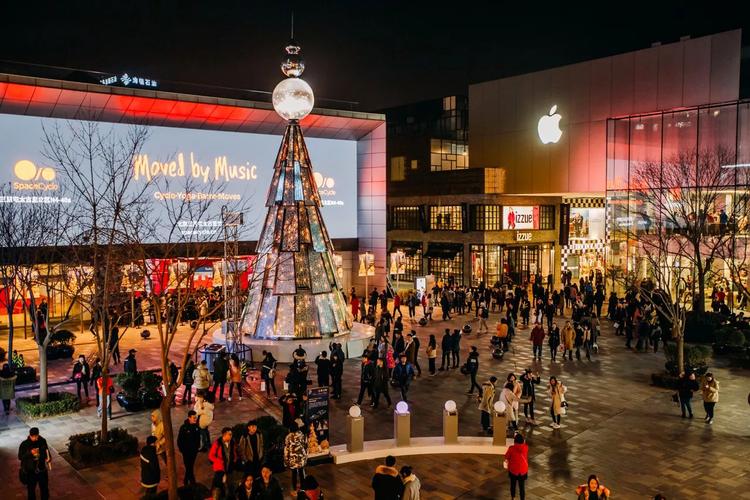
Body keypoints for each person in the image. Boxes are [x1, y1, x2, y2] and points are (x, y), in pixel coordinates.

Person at [18, 427, 51, 500]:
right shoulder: (24, 444)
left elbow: (47, 451)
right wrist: (30, 453)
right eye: (34, 437)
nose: (36, 438)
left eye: (37, 436)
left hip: (42, 469)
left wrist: (48, 458)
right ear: (30, 436)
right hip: (31, 472)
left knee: (44, 489)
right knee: (31, 490)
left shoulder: (42, 441)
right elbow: (20, 457)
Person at [209, 427, 235, 499]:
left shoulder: (232, 442)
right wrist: (219, 461)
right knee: (218, 486)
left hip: (229, 468)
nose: (231, 436)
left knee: (230, 486)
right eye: (229, 434)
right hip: (220, 469)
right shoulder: (217, 443)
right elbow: (211, 456)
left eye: (231, 434)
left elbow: (234, 453)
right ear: (224, 434)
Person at [177, 410, 201, 486]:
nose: (195, 419)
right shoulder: (183, 428)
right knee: (188, 466)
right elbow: (179, 440)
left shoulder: (197, 427)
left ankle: (186, 480)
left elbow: (198, 438)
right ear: (189, 418)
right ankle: (191, 481)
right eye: (194, 418)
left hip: (194, 451)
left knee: (190, 466)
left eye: (196, 417)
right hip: (186, 452)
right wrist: (182, 449)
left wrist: (197, 447)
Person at [283, 421, 308, 493]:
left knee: (294, 473)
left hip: (292, 459)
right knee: (301, 472)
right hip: (301, 458)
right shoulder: (301, 434)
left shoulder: (288, 437)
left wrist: (286, 460)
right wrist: (306, 456)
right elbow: (305, 445)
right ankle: (303, 488)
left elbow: (286, 449)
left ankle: (294, 489)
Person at [504, 433, 529, 500]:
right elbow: (524, 444)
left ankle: (513, 498)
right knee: (522, 487)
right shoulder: (526, 447)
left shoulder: (511, 448)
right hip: (523, 471)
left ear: (515, 441)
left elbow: (506, 456)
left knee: (513, 485)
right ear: (523, 441)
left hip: (513, 470)